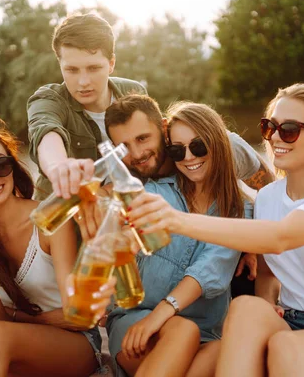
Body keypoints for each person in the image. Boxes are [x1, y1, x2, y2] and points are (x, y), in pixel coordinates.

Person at [126, 83, 304, 377]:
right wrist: (268, 302)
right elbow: (268, 272)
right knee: (246, 308)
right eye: (270, 127)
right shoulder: (267, 198)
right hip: (292, 323)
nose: (277, 137)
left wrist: (174, 220)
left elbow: (280, 238)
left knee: (286, 346)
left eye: (290, 129)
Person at [0, 116, 114, 377]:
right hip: (8, 338)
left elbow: (79, 316)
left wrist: (31, 318)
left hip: (72, 345)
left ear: (13, 168)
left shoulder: (49, 219)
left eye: (0, 165)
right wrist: (36, 319)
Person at [105, 102, 254, 377]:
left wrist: (257, 250)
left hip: (206, 332)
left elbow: (212, 267)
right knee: (183, 329)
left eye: (198, 146)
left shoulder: (239, 210)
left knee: (230, 349)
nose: (188, 157)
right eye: (177, 150)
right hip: (140, 319)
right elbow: (132, 228)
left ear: (219, 144)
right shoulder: (156, 192)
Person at [102, 94, 274, 296]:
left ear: (163, 128)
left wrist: (253, 246)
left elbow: (269, 192)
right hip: (176, 250)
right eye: (124, 146)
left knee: (244, 279)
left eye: (143, 138)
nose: (138, 153)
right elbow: (106, 199)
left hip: (225, 232)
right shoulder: (126, 171)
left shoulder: (225, 148)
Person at [27, 12, 147, 201]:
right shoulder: (48, 99)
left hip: (122, 212)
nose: (83, 82)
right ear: (60, 65)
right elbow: (45, 131)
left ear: (111, 63)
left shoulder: (134, 92)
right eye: (72, 70)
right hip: (63, 217)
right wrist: (59, 167)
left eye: (93, 68)